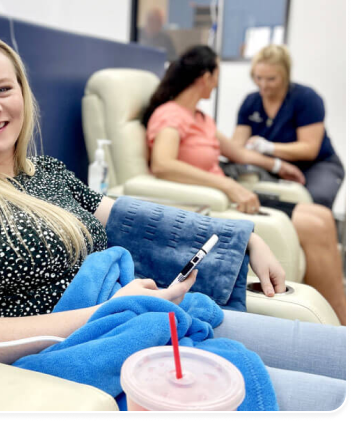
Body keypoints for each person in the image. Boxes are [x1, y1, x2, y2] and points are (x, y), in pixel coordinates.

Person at [0, 30, 345, 411]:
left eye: (3, 89)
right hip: (84, 356)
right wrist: (109, 309)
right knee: (331, 397)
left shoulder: (45, 172)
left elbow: (131, 216)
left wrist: (239, 237)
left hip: (138, 324)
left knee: (336, 353)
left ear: (23, 95)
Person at [143, 45, 346, 325]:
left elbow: (238, 153)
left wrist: (276, 164)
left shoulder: (201, 119)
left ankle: (338, 322)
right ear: (206, 77)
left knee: (322, 217)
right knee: (317, 224)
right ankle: (336, 327)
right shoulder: (170, 115)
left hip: (230, 193)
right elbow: (162, 164)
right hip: (217, 201)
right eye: (217, 75)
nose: (217, 83)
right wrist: (227, 187)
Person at [232, 44, 344, 210]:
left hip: (316, 165)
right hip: (276, 165)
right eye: (258, 77)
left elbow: (309, 149)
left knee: (313, 203)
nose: (263, 85)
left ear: (285, 76)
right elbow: (236, 147)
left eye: (271, 79)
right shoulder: (251, 102)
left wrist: (266, 147)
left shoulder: (306, 98)